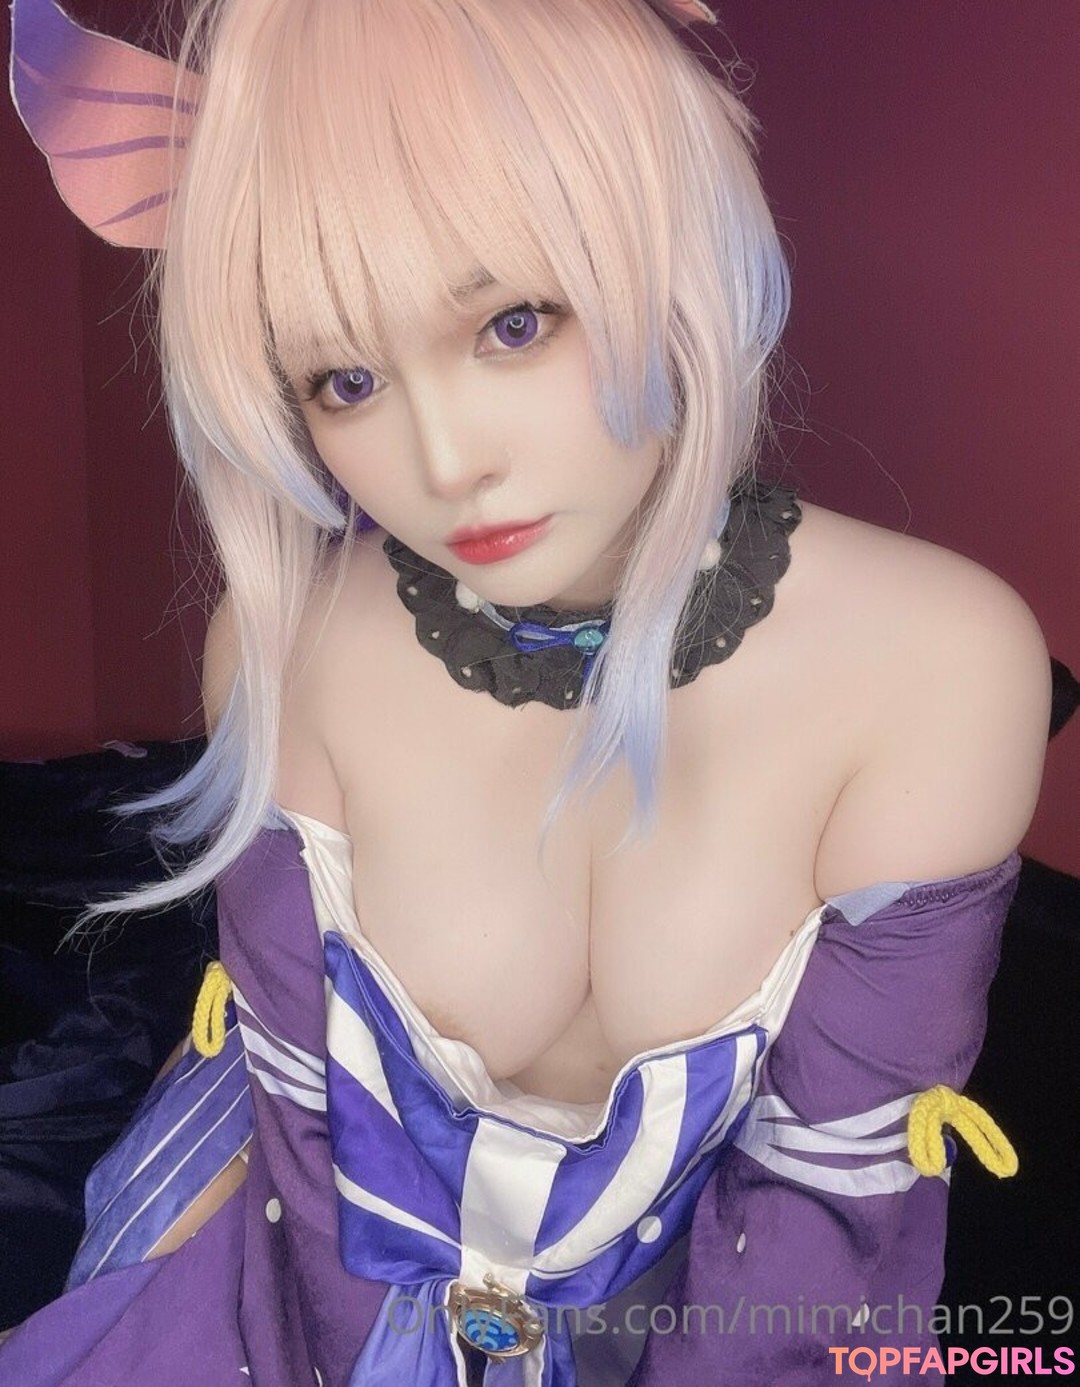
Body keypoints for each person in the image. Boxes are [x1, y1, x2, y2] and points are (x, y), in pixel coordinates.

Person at [4, 0, 1051, 1382]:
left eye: (514, 323)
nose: (446, 463)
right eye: (345, 379)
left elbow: (828, 1214)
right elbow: (299, 1124)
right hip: (288, 1272)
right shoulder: (283, 640)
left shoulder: (942, 663)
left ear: (674, 241)